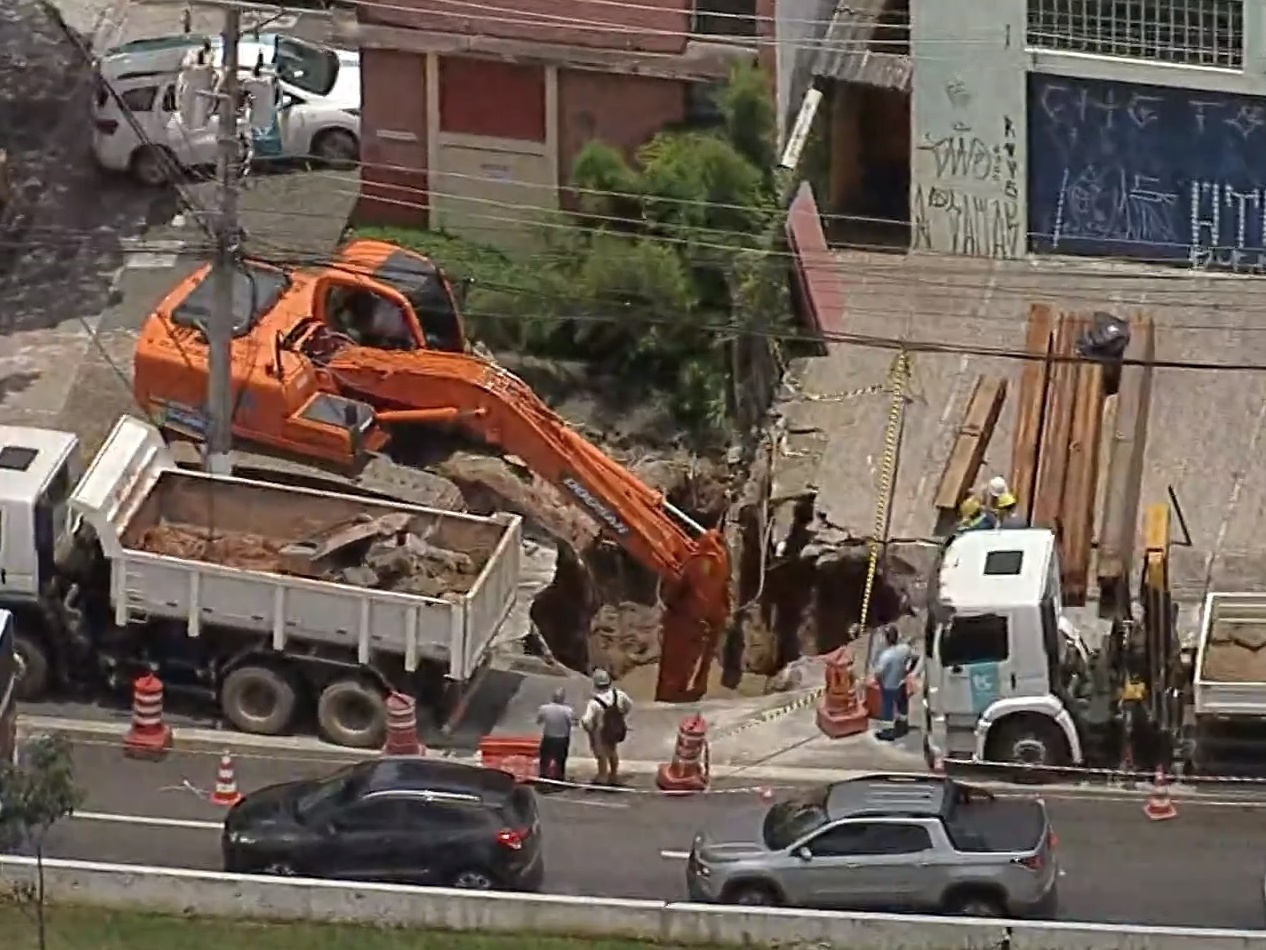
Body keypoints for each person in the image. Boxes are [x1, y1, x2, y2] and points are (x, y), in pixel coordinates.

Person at [579, 669, 632, 786]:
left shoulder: (594, 703)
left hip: (600, 731)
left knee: (601, 754)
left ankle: (602, 776)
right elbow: (629, 705)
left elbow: (587, 720)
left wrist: (588, 729)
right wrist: (621, 715)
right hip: (615, 729)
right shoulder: (619, 694)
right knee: (613, 751)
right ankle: (613, 775)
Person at [871, 625, 916, 740]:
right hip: (901, 682)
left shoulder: (885, 656)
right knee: (902, 703)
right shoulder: (904, 648)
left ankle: (888, 731)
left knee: (887, 707)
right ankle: (903, 724)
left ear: (886, 639)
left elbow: (878, 671)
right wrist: (909, 670)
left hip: (888, 685)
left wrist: (876, 679)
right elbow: (914, 657)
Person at [535, 687, 574, 784]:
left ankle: (543, 777)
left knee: (545, 759)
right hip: (562, 739)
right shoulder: (568, 711)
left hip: (548, 736)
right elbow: (573, 723)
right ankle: (559, 779)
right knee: (560, 760)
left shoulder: (544, 708)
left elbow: (539, 721)